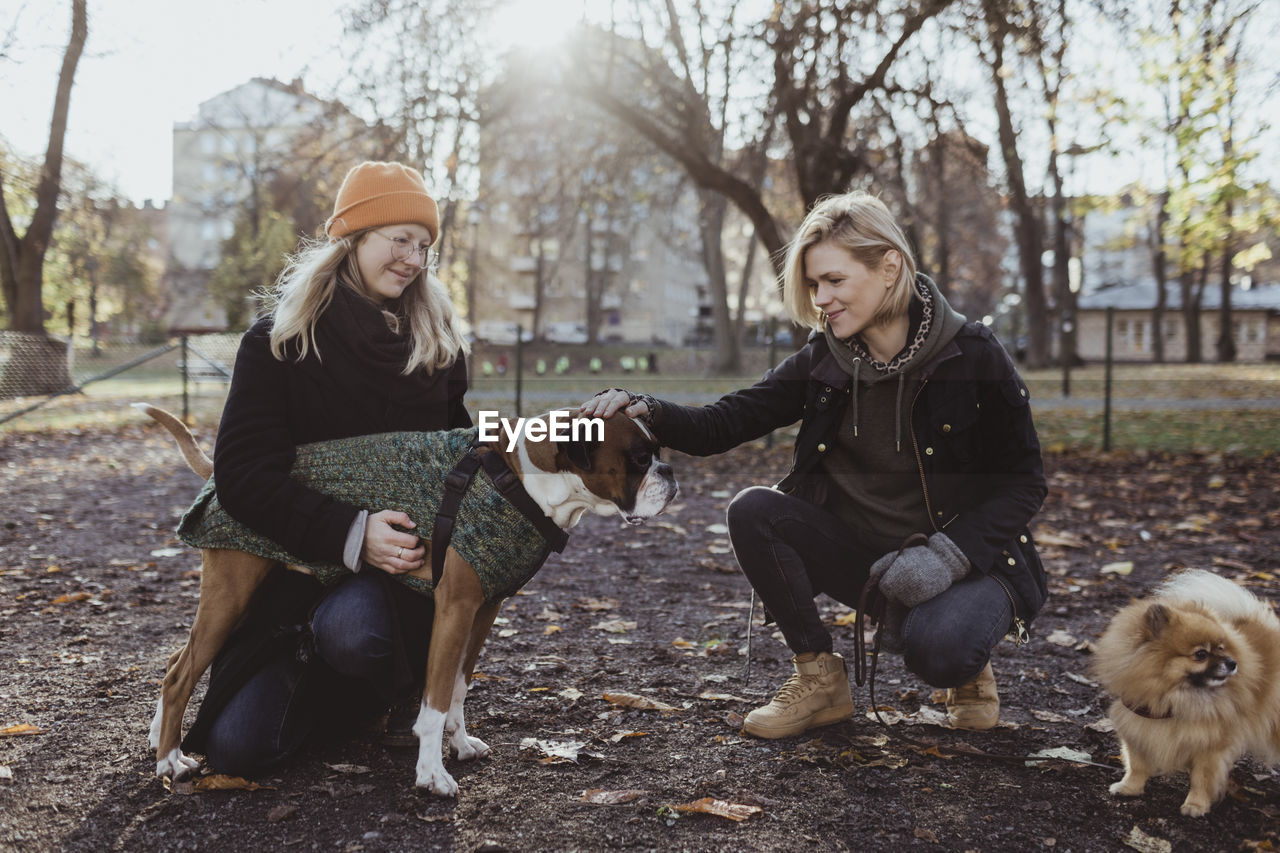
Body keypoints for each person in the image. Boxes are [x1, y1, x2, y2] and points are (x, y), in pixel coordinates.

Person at [582, 191, 1046, 738]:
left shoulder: (973, 355)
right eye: (813, 285)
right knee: (754, 510)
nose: (821, 298)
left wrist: (947, 558)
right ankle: (820, 679)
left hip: (967, 561)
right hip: (869, 560)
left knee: (940, 651)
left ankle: (967, 670)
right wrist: (649, 409)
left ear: (889, 265)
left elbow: (1023, 482)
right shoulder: (826, 357)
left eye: (834, 280)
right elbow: (725, 423)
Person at [183, 161, 472, 776]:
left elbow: (458, 456)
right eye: (399, 239)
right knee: (238, 748)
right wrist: (352, 531)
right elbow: (241, 474)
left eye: (424, 245)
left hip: (399, 577)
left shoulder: (437, 346)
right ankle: (329, 684)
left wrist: (569, 433)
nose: (414, 259)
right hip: (291, 566)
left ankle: (400, 687)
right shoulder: (278, 343)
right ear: (354, 239)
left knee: (354, 632)